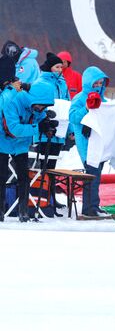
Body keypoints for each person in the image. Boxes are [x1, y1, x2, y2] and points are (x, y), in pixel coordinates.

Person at [0, 57, 56, 222]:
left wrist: (46, 124)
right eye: (40, 106)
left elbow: (39, 117)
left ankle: (24, 212)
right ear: (34, 101)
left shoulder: (37, 103)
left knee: (24, 177)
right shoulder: (11, 100)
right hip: (3, 140)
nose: (41, 109)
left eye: (44, 107)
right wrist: (37, 128)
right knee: (1, 176)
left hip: (20, 144)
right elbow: (14, 128)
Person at [33, 52, 71, 216]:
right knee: (43, 167)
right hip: (44, 131)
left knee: (52, 169)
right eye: (57, 67)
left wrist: (69, 130)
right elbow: (36, 105)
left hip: (59, 131)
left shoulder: (62, 83)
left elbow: (68, 104)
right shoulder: (41, 82)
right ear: (50, 68)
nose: (60, 70)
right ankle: (42, 200)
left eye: (61, 67)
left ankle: (50, 200)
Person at [69, 66, 110, 217]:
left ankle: (94, 205)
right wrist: (86, 108)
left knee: (96, 176)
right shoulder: (79, 98)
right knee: (91, 175)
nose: (99, 87)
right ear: (88, 83)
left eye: (100, 83)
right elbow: (73, 117)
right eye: (96, 83)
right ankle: (89, 208)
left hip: (99, 143)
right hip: (87, 144)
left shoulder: (104, 100)